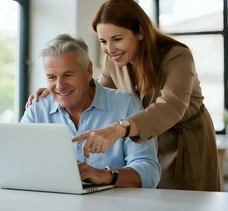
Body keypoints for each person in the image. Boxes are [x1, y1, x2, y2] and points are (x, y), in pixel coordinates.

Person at [27, 0, 221, 191]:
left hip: (184, 139)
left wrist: (117, 129)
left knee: (186, 201)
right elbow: (98, 93)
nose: (109, 49)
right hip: (144, 136)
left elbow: (171, 106)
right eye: (103, 41)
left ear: (140, 33)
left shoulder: (177, 57)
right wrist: (60, 88)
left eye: (117, 39)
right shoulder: (114, 60)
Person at [21, 34, 161, 188]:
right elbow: (18, 163)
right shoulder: (36, 110)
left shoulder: (126, 105)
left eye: (68, 75)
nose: (60, 86)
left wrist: (104, 175)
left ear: (88, 71)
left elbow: (150, 173)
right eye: (52, 77)